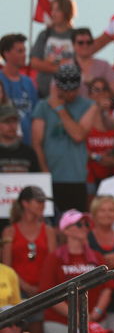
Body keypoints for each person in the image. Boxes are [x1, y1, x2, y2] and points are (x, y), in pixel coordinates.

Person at [42, 209, 113, 333]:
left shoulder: (97, 256)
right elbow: (48, 292)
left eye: (86, 224)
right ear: (66, 230)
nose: (85, 228)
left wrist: (95, 313)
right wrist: (78, 316)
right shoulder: (54, 258)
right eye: (79, 225)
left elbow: (107, 288)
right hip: (62, 322)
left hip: (94, 320)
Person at [31, 63, 96, 213]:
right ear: (57, 87)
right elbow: (36, 142)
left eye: (74, 90)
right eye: (66, 90)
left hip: (76, 177)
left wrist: (59, 108)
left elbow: (78, 135)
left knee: (75, 223)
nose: (70, 94)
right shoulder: (43, 106)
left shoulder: (89, 106)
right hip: (50, 177)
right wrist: (44, 171)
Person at [29, 0, 76, 98]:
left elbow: (79, 64)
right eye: (52, 10)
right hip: (44, 93)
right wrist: (60, 68)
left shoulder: (76, 36)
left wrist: (48, 65)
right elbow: (34, 62)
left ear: (66, 12)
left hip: (69, 94)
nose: (53, 14)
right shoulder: (45, 35)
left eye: (57, 10)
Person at [0, 35, 37, 143]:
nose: (24, 55)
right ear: (6, 53)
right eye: (20, 51)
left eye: (25, 51)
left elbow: (35, 114)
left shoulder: (28, 82)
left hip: (26, 147)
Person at [0, 104, 39, 174]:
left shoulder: (29, 152)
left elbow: (37, 179)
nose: (12, 126)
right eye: (7, 122)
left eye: (14, 121)